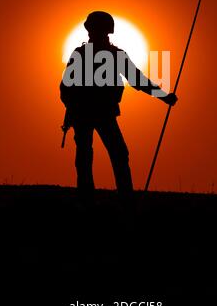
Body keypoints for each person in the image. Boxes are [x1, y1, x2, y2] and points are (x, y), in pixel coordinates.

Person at [60, 11, 177, 201]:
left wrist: (163, 96)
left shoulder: (110, 55)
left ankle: (118, 195)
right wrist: (72, 108)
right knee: (92, 154)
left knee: (114, 153)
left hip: (99, 112)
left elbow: (137, 79)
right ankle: (95, 196)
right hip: (88, 113)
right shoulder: (86, 54)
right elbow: (66, 87)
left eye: (94, 29)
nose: (91, 33)